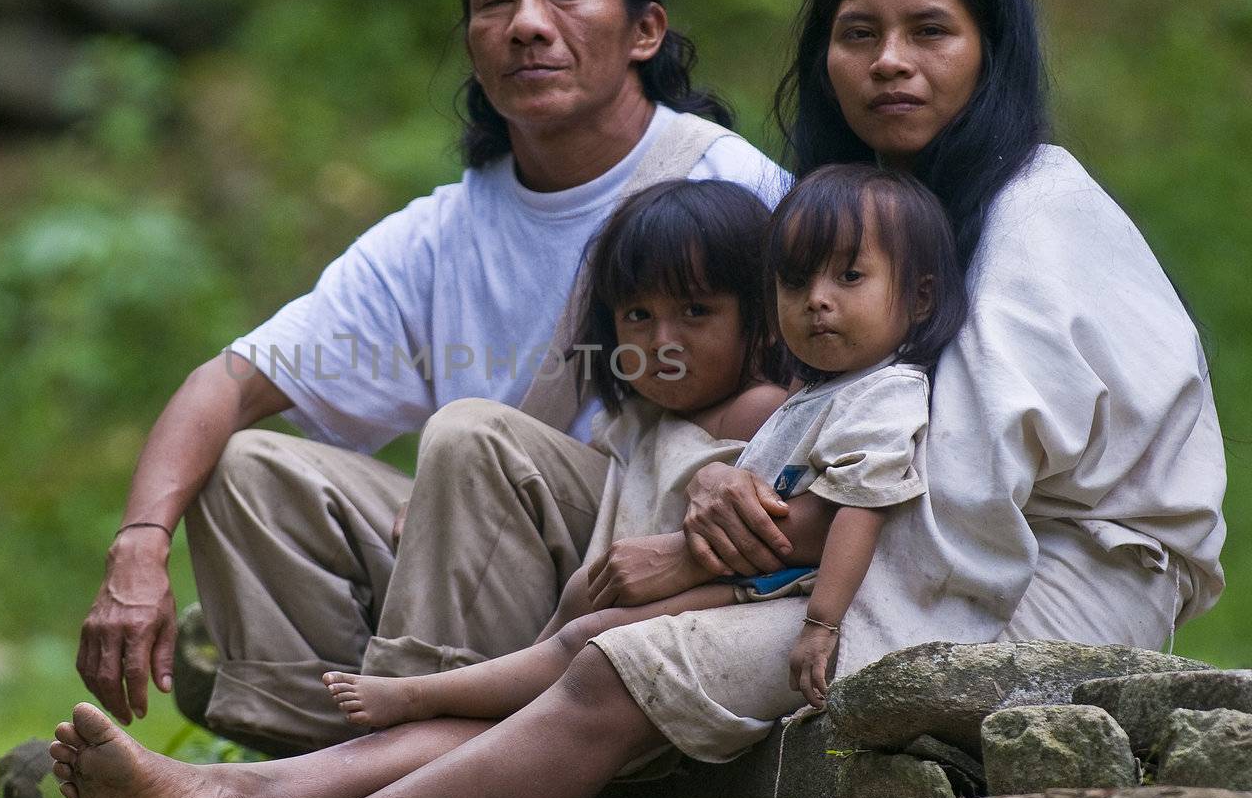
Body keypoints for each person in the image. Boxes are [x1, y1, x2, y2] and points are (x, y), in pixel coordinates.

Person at [47, 0, 1226, 798]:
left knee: (610, 654)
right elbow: (827, 425)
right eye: (857, 32)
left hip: (1021, 580)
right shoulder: (868, 204)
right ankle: (246, 796)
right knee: (590, 632)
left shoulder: (1029, 210)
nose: (888, 64)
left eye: (931, 32)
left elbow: (959, 491)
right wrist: (723, 510)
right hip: (859, 548)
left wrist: (719, 567)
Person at [73, 0, 786, 756]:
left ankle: (403, 775)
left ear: (646, 30)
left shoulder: (729, 184)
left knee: (470, 438)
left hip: (643, 551)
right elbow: (223, 384)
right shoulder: (441, 231)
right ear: (473, 44)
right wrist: (139, 547)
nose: (527, 23)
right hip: (478, 563)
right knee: (247, 466)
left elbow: (823, 399)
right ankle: (309, 759)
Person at [323, 163, 965, 726]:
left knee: (579, 637)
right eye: (637, 317)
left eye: (695, 313)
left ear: (759, 317)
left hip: (722, 611)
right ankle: (450, 702)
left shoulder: (775, 408)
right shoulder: (643, 418)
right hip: (633, 599)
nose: (662, 341)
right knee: (569, 629)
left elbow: (814, 518)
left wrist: (819, 623)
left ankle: (430, 699)